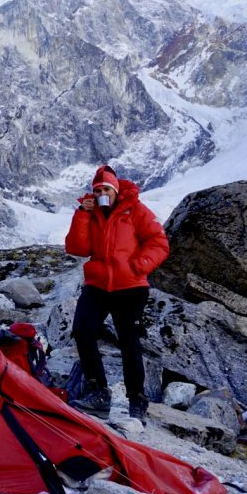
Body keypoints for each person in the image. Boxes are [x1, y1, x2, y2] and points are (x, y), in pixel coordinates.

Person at [64, 165, 170, 421]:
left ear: (116, 190)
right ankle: (98, 392)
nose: (102, 193)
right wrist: (82, 215)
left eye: (106, 190)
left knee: (128, 341)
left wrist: (139, 265)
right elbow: (77, 248)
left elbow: (159, 242)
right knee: (82, 330)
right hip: (98, 285)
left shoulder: (135, 210)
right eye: (97, 190)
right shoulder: (91, 214)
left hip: (130, 287)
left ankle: (137, 399)